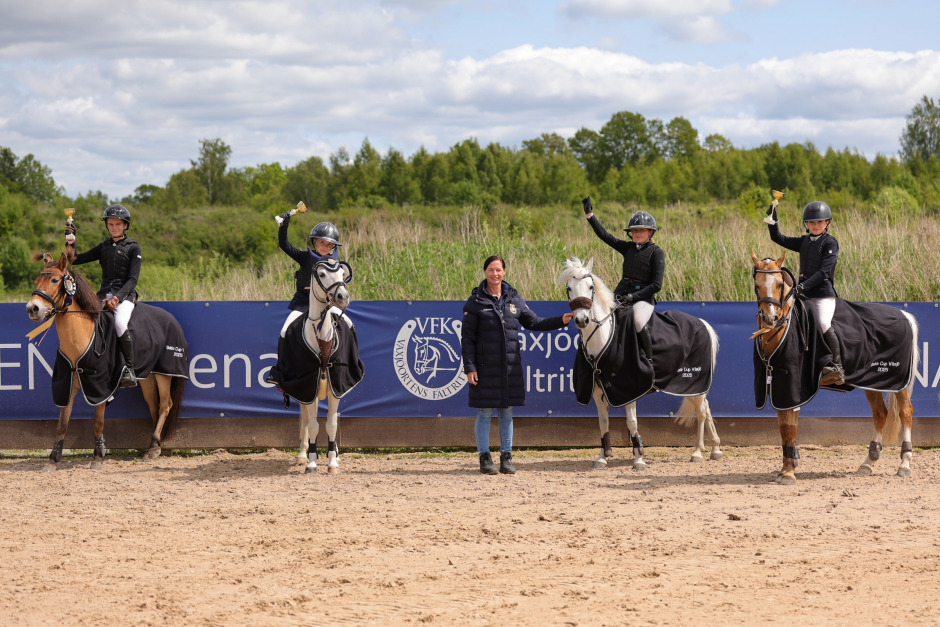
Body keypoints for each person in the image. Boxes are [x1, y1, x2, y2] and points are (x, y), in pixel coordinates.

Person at [460, 254, 574, 475]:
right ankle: (485, 458)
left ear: (504, 272)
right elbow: (467, 339)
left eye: (499, 270)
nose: (495, 274)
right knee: (484, 412)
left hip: (510, 368)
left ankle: (506, 457)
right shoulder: (474, 303)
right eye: (491, 270)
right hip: (484, 369)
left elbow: (535, 322)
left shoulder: (514, 299)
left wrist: (560, 320)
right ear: (485, 272)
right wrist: (470, 367)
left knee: (507, 412)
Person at [766, 199, 844, 385]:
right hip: (803, 294)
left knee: (824, 323)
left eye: (819, 222)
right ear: (806, 224)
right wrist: (772, 218)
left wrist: (803, 286)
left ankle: (837, 366)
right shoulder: (804, 241)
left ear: (827, 223)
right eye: (811, 222)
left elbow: (825, 271)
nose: (815, 225)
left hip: (822, 295)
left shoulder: (830, 243)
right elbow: (778, 238)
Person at [64, 204, 141, 388]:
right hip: (103, 294)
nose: (114, 227)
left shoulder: (133, 248)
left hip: (125, 295)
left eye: (118, 224)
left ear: (125, 226)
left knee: (120, 322)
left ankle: (130, 370)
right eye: (111, 224)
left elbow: (132, 279)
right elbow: (74, 259)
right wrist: (70, 240)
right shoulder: (104, 246)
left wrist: (117, 299)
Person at [581, 196, 664, 362]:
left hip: (643, 299)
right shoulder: (628, 248)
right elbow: (606, 236)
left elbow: (656, 285)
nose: (637, 233)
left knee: (639, 322)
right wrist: (590, 215)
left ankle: (648, 359)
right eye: (634, 231)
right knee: (603, 317)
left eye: (641, 230)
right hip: (621, 293)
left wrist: (633, 297)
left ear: (650, 232)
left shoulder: (656, 253)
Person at [276, 217, 340, 340]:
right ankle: (283, 360)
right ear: (314, 242)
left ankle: (353, 359)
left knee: (349, 325)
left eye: (329, 245)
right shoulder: (304, 257)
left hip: (327, 306)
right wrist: (283, 226)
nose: (325, 247)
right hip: (303, 305)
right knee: (284, 331)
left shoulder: (334, 264)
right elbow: (284, 245)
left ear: (333, 247)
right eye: (322, 242)